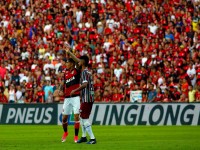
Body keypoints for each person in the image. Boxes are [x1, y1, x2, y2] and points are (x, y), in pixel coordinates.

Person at [66, 48, 97, 144]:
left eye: (79, 62)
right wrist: (70, 53)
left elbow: (85, 84)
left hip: (87, 98)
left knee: (84, 118)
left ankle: (92, 138)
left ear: (82, 63)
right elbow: (78, 61)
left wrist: (74, 90)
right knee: (82, 116)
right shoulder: (86, 71)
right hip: (87, 98)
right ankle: (84, 137)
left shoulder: (84, 72)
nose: (77, 63)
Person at [61, 57, 81, 143]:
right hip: (67, 98)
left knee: (76, 116)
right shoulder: (65, 72)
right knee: (64, 119)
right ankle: (66, 132)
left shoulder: (76, 70)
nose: (66, 64)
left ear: (72, 63)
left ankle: (76, 136)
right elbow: (64, 83)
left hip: (76, 97)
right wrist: (60, 89)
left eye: (68, 62)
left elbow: (78, 61)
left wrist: (69, 53)